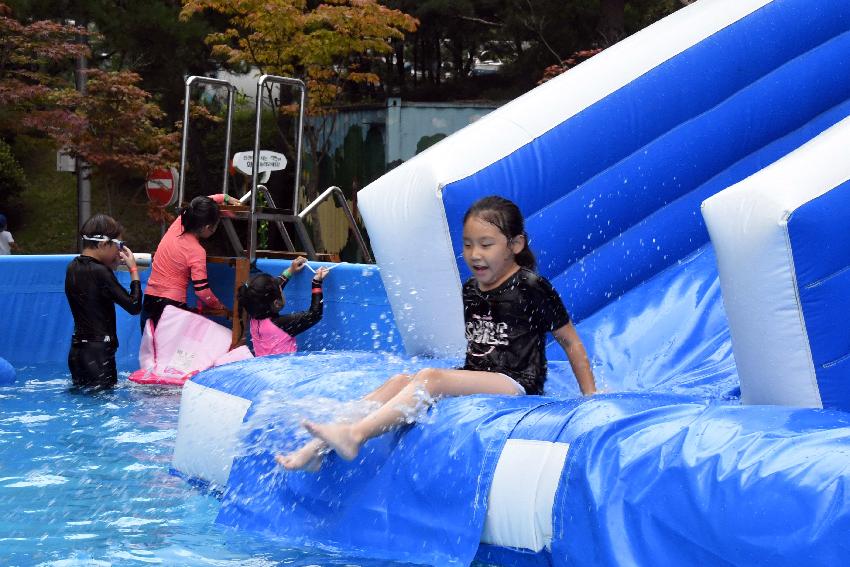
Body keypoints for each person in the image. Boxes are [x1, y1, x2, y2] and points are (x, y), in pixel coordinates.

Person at [278, 195, 596, 471]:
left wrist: (590, 399)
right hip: (483, 376)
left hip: (516, 383)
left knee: (430, 377)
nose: (474, 254)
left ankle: (355, 436)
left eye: (486, 245)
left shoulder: (531, 286)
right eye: (468, 244)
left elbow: (570, 341)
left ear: (515, 244)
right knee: (399, 382)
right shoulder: (472, 288)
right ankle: (317, 448)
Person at [141, 194, 240, 330]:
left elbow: (199, 203)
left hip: (149, 299)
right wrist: (220, 306)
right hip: (172, 306)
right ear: (207, 227)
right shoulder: (197, 252)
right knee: (171, 350)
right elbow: (202, 291)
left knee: (149, 349)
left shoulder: (178, 225)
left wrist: (224, 197)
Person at [65, 214, 142, 389]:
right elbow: (134, 306)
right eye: (118, 246)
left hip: (77, 352)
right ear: (102, 244)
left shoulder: (72, 268)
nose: (119, 252)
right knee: (102, 406)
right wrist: (133, 271)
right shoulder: (101, 272)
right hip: (99, 354)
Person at [237, 257, 329, 356]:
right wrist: (317, 283)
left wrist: (290, 270)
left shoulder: (254, 315)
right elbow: (315, 315)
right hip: (285, 369)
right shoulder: (282, 324)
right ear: (277, 303)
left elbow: (269, 291)